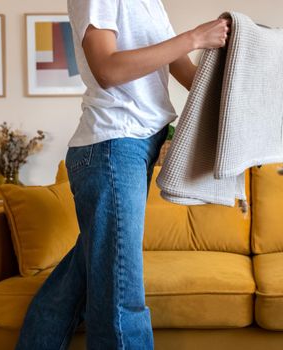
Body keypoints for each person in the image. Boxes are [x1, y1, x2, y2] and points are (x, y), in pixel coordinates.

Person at [15, 0, 230, 349]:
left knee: (78, 280)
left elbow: (185, 72)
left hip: (138, 145)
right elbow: (107, 69)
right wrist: (193, 37)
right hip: (113, 146)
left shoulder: (151, 3)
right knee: (120, 294)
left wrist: (241, 75)